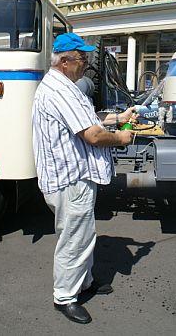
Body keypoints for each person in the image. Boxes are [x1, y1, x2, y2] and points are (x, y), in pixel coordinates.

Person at [32, 32, 136, 324]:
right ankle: (64, 296)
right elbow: (92, 134)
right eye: (82, 58)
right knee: (74, 240)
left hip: (72, 177)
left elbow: (87, 119)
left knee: (84, 234)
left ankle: (84, 281)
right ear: (65, 61)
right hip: (70, 179)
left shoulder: (64, 86)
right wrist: (122, 137)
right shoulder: (60, 91)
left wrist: (118, 117)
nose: (87, 63)